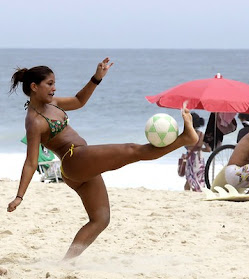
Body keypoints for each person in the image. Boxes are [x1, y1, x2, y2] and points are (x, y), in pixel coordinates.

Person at [6, 58, 199, 260]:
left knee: (100, 219)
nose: (55, 88)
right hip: (75, 158)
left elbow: (79, 101)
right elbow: (31, 162)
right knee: (133, 150)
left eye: (54, 83)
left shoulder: (52, 103)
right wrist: (20, 196)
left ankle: (66, 262)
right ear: (34, 87)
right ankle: (185, 138)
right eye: (50, 84)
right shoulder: (34, 122)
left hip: (77, 168)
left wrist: (97, 78)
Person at [184, 112, 211, 191]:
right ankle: (199, 190)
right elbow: (208, 149)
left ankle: (187, 192)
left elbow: (186, 146)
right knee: (199, 177)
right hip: (199, 157)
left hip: (189, 157)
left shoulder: (187, 134)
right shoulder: (201, 134)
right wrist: (199, 148)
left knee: (189, 177)